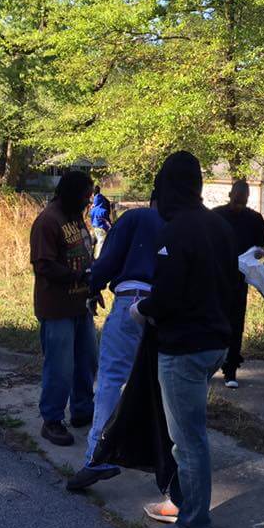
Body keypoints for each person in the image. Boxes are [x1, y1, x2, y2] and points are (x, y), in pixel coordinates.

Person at [131, 151, 240, 528]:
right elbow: (231, 286)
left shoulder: (175, 231)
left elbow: (167, 296)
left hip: (184, 349)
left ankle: (195, 526)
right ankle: (181, 503)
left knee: (188, 439)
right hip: (216, 343)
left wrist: (140, 309)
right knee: (187, 433)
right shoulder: (219, 225)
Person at [66, 193, 165, 491]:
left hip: (130, 300)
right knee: (159, 387)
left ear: (152, 199)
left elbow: (108, 261)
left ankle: (97, 456)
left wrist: (92, 286)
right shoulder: (183, 224)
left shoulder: (135, 218)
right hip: (165, 309)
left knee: (111, 378)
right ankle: (166, 469)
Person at [29, 171, 99, 447]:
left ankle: (82, 410)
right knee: (60, 366)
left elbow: (82, 254)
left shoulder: (74, 217)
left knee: (87, 360)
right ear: (70, 193)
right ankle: (52, 420)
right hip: (56, 308)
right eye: (85, 194)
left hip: (81, 305)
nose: (88, 200)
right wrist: (78, 278)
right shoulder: (48, 221)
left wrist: (91, 286)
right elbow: (43, 265)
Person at [212, 180, 264, 388]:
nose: (238, 207)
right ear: (230, 196)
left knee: (235, 324)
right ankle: (212, 363)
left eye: (242, 203)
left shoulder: (254, 219)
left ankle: (230, 368)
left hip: (239, 278)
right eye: (236, 202)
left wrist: (259, 254)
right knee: (215, 321)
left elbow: (263, 246)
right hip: (216, 277)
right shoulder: (216, 216)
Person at [89, 185, 112, 258]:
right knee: (101, 243)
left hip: (94, 227)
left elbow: (91, 218)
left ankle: (91, 256)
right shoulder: (104, 211)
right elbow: (106, 220)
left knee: (93, 243)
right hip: (102, 229)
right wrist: (110, 225)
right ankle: (99, 257)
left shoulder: (93, 210)